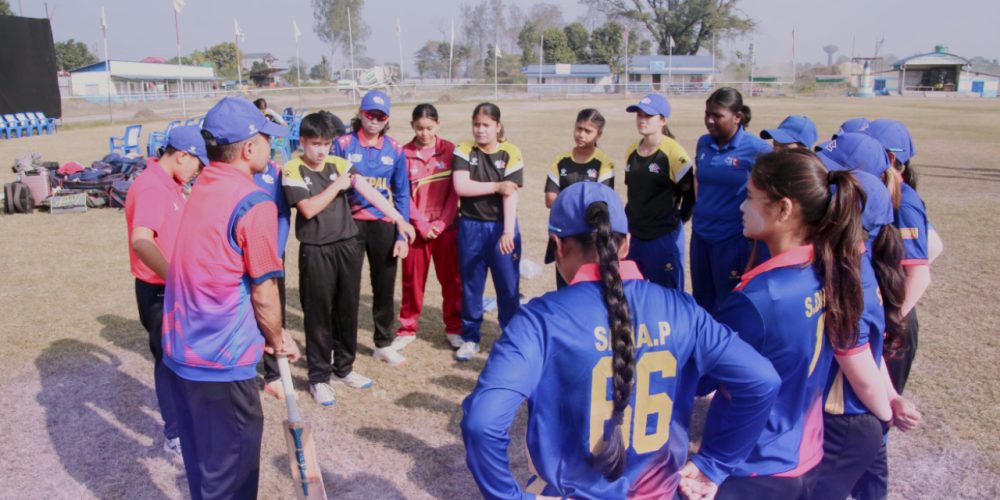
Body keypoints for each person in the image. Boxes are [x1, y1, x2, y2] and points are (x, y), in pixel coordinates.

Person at [461, 182, 780, 499]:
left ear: (558, 246)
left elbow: (483, 422)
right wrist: (715, 463)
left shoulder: (540, 321)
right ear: (626, 244)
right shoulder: (681, 309)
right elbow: (761, 380)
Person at [162, 96, 301, 499]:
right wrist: (278, 340)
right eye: (264, 138)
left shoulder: (200, 183)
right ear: (248, 147)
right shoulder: (253, 201)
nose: (270, 146)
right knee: (231, 479)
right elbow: (264, 292)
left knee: (205, 473)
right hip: (221, 363)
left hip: (182, 355)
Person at [707, 148, 863, 499]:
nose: (742, 207)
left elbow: (702, 375)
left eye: (749, 197)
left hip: (754, 464)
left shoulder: (763, 298)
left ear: (784, 208)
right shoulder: (827, 267)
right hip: (805, 449)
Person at [811, 136, 922, 499]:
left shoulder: (848, 273)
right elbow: (872, 354)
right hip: (863, 413)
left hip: (845, 418)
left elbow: (855, 355)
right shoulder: (863, 264)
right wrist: (892, 399)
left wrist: (884, 412)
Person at [283, 112, 414, 405]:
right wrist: (337, 186)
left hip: (346, 247)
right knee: (318, 315)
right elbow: (308, 209)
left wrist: (398, 220)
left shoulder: (340, 164)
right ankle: (319, 377)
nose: (321, 151)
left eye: (326, 144)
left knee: (348, 311)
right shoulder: (292, 169)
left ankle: (343, 369)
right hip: (316, 250)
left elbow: (370, 192)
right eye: (315, 144)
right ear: (302, 141)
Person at [124, 125, 207, 458]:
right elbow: (142, 240)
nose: (196, 172)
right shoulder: (152, 187)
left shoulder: (171, 183)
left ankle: (187, 423)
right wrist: (175, 279)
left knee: (183, 359)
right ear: (181, 155)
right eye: (196, 165)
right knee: (170, 362)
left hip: (173, 287)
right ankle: (174, 434)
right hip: (161, 291)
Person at [333, 90, 412, 367]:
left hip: (384, 226)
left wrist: (402, 234)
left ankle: (383, 343)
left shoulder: (396, 149)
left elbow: (402, 194)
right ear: (360, 113)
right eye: (370, 114)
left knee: (384, 286)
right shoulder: (342, 144)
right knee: (347, 288)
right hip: (351, 225)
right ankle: (342, 343)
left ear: (387, 118)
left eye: (380, 116)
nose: (374, 120)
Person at [865, 119, 940, 394]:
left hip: (895, 318)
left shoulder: (904, 201)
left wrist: (889, 324)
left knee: (883, 401)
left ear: (890, 157)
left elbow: (919, 274)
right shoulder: (882, 192)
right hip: (883, 310)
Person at [388, 103, 463, 363]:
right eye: (419, 128)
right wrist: (420, 224)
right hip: (417, 231)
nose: (425, 133)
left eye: (429, 128)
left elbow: (455, 192)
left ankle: (454, 328)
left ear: (438, 125)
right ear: (412, 126)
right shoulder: (404, 153)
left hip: (447, 229)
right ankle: (407, 329)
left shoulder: (450, 151)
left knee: (451, 281)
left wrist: (442, 223)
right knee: (412, 281)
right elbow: (402, 194)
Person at [691, 87, 772, 313]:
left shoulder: (757, 149)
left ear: (737, 117)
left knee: (728, 303)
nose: (710, 120)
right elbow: (700, 179)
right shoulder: (703, 143)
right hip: (701, 235)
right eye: (707, 114)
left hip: (731, 239)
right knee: (702, 301)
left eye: (717, 115)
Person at [452, 102, 522, 361]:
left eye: (486, 125)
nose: (480, 130)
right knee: (471, 285)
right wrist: (496, 185)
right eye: (477, 125)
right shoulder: (463, 149)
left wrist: (507, 232)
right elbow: (461, 186)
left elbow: (511, 194)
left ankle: (511, 337)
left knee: (507, 285)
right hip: (470, 226)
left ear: (498, 126)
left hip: (501, 227)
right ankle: (470, 338)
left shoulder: (511, 152)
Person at [622, 93, 694, 290]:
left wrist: (674, 221)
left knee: (667, 294)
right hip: (634, 235)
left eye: (648, 116)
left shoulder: (674, 153)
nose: (642, 120)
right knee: (632, 291)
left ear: (663, 120)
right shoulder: (631, 151)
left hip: (662, 237)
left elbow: (690, 196)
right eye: (639, 115)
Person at [544, 108, 614, 288]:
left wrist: (566, 200)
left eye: (587, 131)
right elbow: (550, 199)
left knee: (592, 287)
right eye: (578, 128)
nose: (581, 134)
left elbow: (600, 204)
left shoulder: (604, 163)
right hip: (565, 237)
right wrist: (583, 200)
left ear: (599, 134)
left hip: (591, 239)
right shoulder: (560, 160)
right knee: (565, 287)